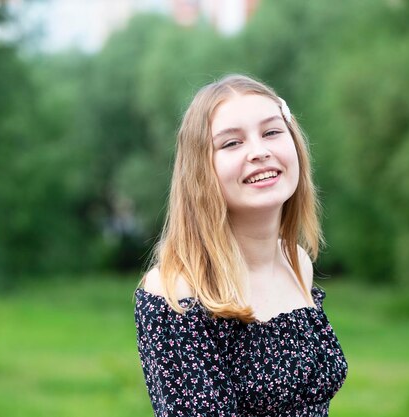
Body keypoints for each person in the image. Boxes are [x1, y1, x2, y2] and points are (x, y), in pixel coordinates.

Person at [134, 74, 348, 417]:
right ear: (200, 169)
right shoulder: (176, 291)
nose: (259, 152)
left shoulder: (296, 262)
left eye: (272, 132)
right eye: (232, 143)